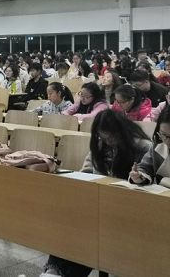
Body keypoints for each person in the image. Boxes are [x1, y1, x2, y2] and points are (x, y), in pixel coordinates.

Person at [39, 110, 152, 277]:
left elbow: (149, 183)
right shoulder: (100, 145)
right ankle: (53, 270)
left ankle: (56, 273)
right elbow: (86, 172)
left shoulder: (142, 147)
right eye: (103, 138)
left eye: (111, 138)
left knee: (90, 237)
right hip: (99, 204)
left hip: (128, 209)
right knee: (71, 225)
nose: (108, 142)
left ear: (121, 131)